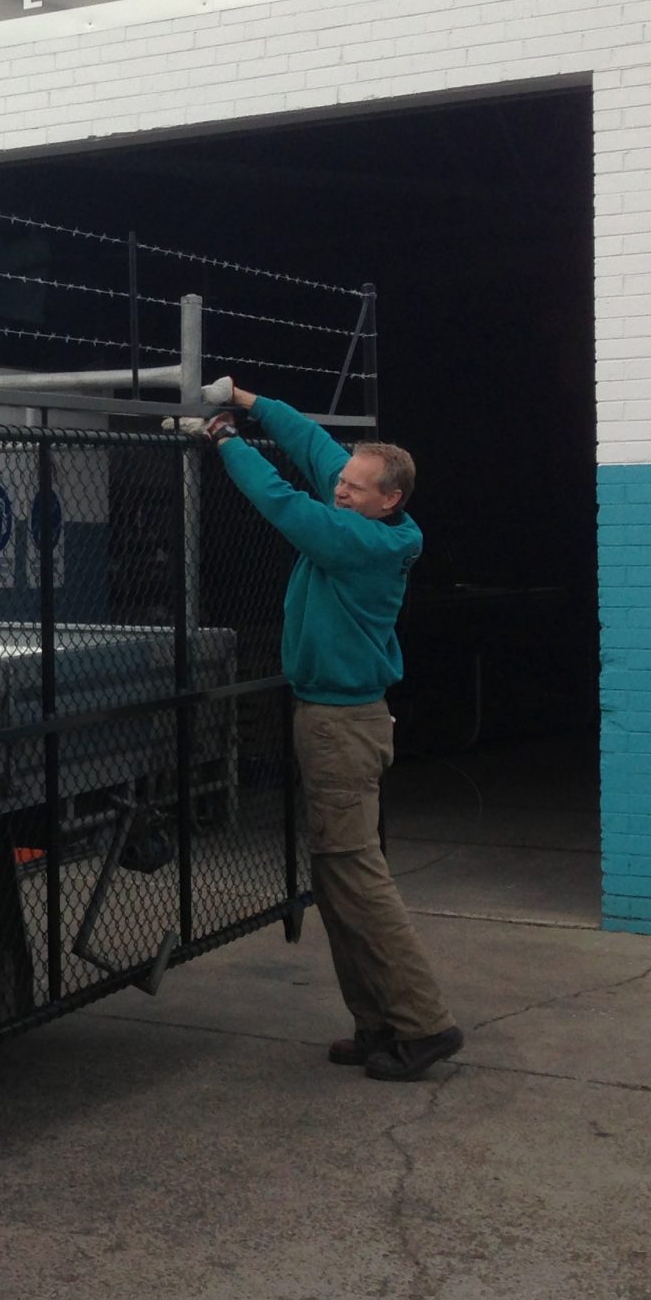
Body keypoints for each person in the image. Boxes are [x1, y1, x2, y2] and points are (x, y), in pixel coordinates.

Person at [204, 384, 463, 1081]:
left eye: (354, 486)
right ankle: (378, 1024)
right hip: (337, 719)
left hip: (341, 726)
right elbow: (316, 452)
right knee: (340, 877)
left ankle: (423, 1023)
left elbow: (283, 504)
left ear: (390, 500)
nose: (339, 488)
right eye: (342, 482)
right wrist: (251, 401)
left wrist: (227, 439)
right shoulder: (362, 505)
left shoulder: (360, 541)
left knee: (357, 878)